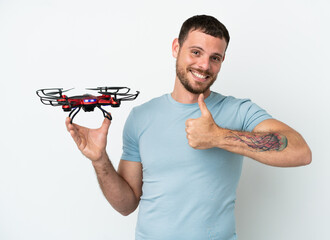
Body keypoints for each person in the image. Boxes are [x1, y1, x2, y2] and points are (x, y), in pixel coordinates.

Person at [65, 15, 311, 240]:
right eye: (196, 52)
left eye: (215, 58)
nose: (204, 65)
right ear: (176, 48)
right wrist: (99, 160)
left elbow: (300, 151)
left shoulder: (238, 111)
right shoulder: (141, 117)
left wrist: (219, 137)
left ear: (222, 61)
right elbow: (126, 205)